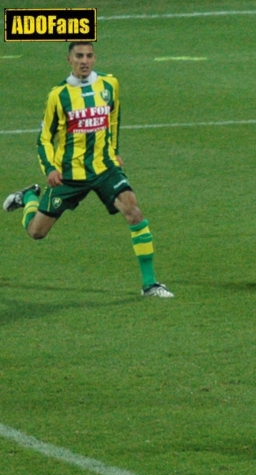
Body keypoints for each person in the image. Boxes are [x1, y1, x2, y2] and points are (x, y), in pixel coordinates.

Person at [2, 42, 173, 298]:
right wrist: (49, 168)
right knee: (36, 232)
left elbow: (113, 118)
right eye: (79, 56)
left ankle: (150, 285)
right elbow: (44, 139)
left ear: (95, 58)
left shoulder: (109, 84)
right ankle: (29, 197)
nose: (85, 61)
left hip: (105, 169)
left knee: (134, 213)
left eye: (89, 56)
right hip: (69, 176)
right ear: (69, 59)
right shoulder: (58, 96)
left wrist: (114, 150)